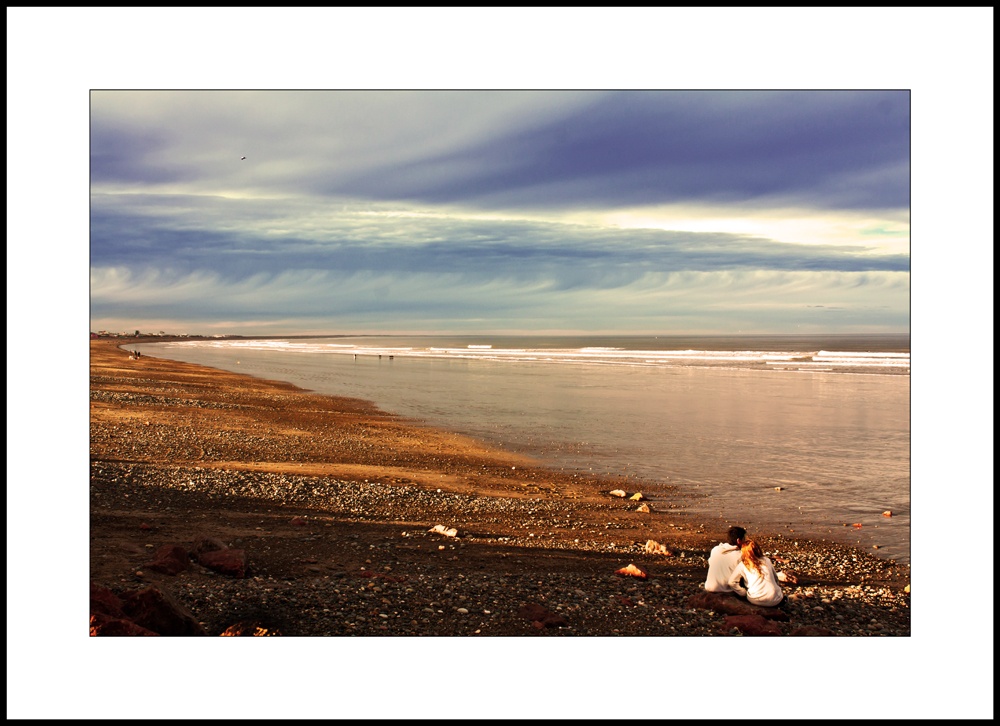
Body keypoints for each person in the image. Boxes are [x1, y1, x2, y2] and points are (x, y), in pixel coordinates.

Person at [727, 538, 784, 607]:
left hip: (756, 599)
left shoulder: (743, 565)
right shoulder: (766, 560)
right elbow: (775, 578)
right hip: (775, 599)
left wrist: (743, 593)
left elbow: (731, 582)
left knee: (742, 581)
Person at [704, 526, 746, 592]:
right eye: (744, 539)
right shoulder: (740, 555)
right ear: (739, 541)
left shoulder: (716, 549)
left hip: (709, 588)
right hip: (726, 591)